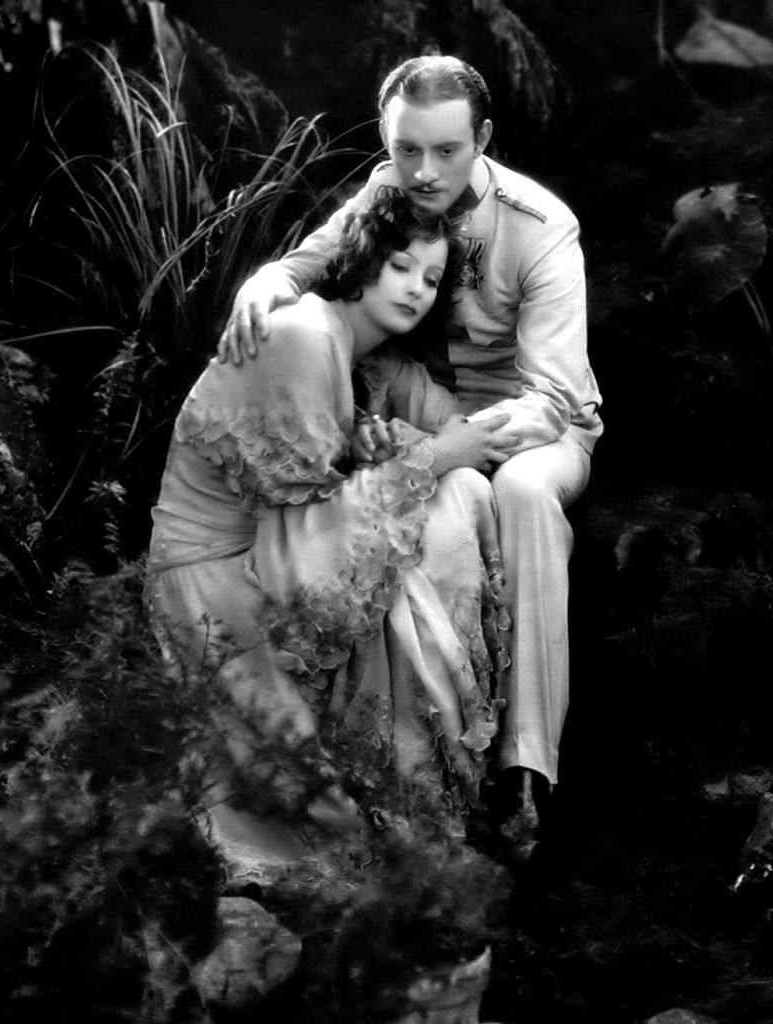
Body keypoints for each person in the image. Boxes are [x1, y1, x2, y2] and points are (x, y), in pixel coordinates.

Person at [218, 55, 603, 843]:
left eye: (446, 151)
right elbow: (313, 262)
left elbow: (554, 398)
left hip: (534, 424)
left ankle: (526, 770)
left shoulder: (540, 225)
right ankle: (404, 757)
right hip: (424, 413)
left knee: (521, 492)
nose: (422, 173)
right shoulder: (386, 188)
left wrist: (458, 448)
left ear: (482, 138)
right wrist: (263, 282)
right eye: (405, 149)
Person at [145, 189, 511, 873]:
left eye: (431, 278)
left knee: (453, 493)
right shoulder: (305, 333)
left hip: (256, 554)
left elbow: (317, 481)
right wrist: (436, 455)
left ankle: (418, 786)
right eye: (400, 265)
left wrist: (404, 452)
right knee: (317, 812)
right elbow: (305, 530)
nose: (414, 289)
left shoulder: (340, 345)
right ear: (361, 260)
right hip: (213, 579)